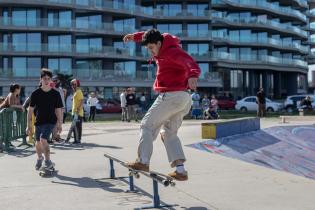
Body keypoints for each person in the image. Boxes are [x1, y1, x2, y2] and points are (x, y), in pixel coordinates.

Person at [123, 28, 200, 181]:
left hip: (172, 95)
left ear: (159, 43)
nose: (151, 52)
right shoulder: (163, 41)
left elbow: (189, 61)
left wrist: (192, 74)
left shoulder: (171, 51)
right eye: (148, 49)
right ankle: (180, 170)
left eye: (152, 48)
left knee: (146, 125)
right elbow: (151, 33)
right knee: (169, 133)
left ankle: (143, 161)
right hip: (183, 98)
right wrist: (135, 37)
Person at [26, 69, 63, 171]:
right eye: (44, 78)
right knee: (37, 142)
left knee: (43, 139)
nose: (46, 81)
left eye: (48, 79)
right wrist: (28, 125)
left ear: (51, 80)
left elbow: (58, 109)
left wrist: (59, 124)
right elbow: (30, 110)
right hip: (39, 121)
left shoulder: (55, 94)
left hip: (51, 121)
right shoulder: (35, 93)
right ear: (40, 79)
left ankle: (47, 161)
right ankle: (40, 158)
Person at [66, 79, 84, 144]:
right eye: (72, 84)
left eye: (74, 84)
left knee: (77, 127)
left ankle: (77, 140)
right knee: (75, 127)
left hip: (78, 113)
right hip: (75, 113)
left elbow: (82, 101)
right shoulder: (76, 92)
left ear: (77, 84)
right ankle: (77, 139)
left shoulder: (79, 91)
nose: (73, 86)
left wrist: (78, 109)